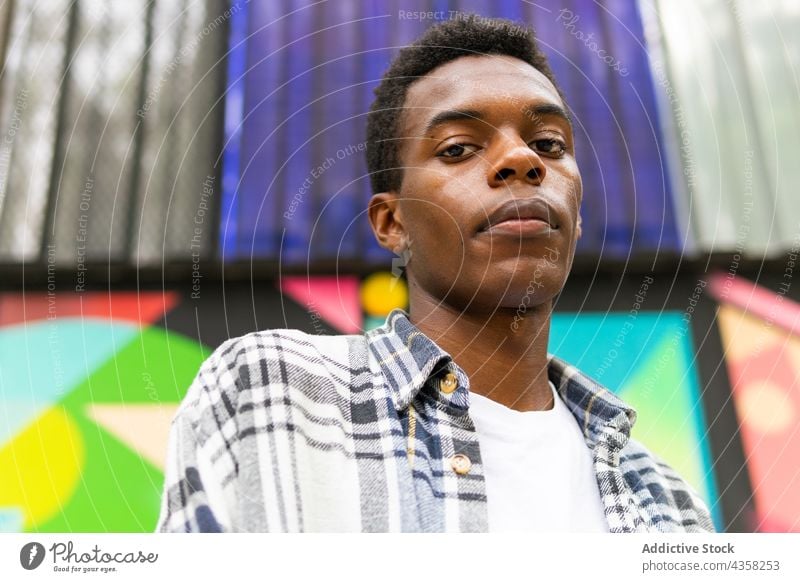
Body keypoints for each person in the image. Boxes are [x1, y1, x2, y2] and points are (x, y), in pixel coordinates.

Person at [157, 14, 715, 533]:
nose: (523, 161)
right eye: (458, 149)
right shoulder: (270, 395)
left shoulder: (671, 504)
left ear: (578, 211)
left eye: (548, 144)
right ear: (392, 223)